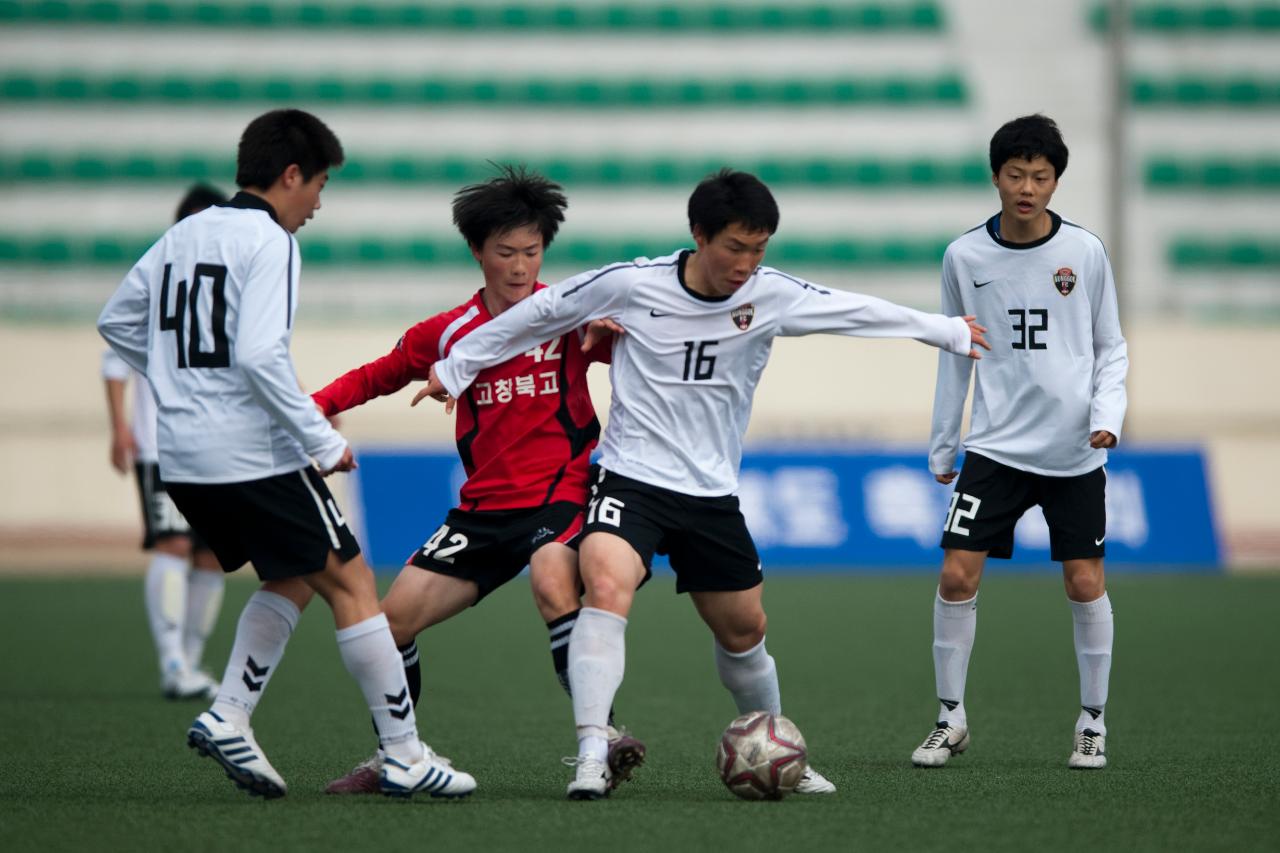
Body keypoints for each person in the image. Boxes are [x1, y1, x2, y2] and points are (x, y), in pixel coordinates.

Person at [416, 168, 990, 799]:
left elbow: (855, 311)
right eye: (734, 247)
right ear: (698, 236)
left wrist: (950, 330)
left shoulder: (770, 294)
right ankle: (591, 750)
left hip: (710, 494)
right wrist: (457, 364)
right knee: (606, 581)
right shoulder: (631, 284)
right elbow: (540, 314)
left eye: (758, 248)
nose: (745, 263)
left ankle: (779, 747)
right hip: (629, 480)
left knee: (744, 630)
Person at [97, 108, 474, 800]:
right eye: (319, 185)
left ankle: (231, 712)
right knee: (356, 582)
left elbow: (116, 320)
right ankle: (405, 753)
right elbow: (259, 353)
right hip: (248, 453)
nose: (319, 203)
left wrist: (181, 387)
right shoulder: (270, 241)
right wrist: (321, 439)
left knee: (297, 575)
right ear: (290, 174)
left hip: (182, 458)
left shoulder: (184, 233)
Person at [313, 165, 644, 795]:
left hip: (563, 491)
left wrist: (606, 337)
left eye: (532, 252)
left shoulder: (570, 315)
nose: (520, 267)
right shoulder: (447, 333)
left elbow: (629, 347)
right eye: (505, 253)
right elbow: (379, 373)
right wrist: (315, 406)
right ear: (477, 251)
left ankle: (598, 739)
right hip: (484, 510)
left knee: (553, 580)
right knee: (389, 625)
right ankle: (397, 755)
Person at [909, 114, 1127, 771]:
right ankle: (950, 717)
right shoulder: (964, 256)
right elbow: (956, 355)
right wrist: (945, 444)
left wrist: (1107, 413)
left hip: (1072, 452)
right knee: (955, 573)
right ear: (997, 177)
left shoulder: (1084, 253)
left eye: (1041, 175)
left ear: (1056, 180)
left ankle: (1092, 721)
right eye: (1015, 174)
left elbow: (1110, 347)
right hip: (996, 447)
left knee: (1085, 581)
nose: (1027, 187)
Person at [102, 183, 228, 701]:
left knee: (212, 555)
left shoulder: (227, 280)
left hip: (219, 444)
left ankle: (192, 662)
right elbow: (114, 354)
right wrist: (121, 427)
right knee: (173, 542)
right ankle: (172, 659)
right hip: (162, 441)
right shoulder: (157, 276)